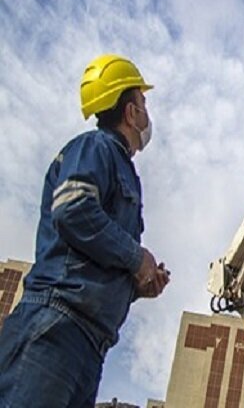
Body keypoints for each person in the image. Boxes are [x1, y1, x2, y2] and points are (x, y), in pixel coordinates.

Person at [0, 54, 170, 408]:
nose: (146, 111)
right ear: (130, 112)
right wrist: (137, 256)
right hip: (57, 326)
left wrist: (137, 285)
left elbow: (95, 256)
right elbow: (73, 210)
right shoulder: (95, 148)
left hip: (89, 344)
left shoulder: (121, 169)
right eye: (142, 101)